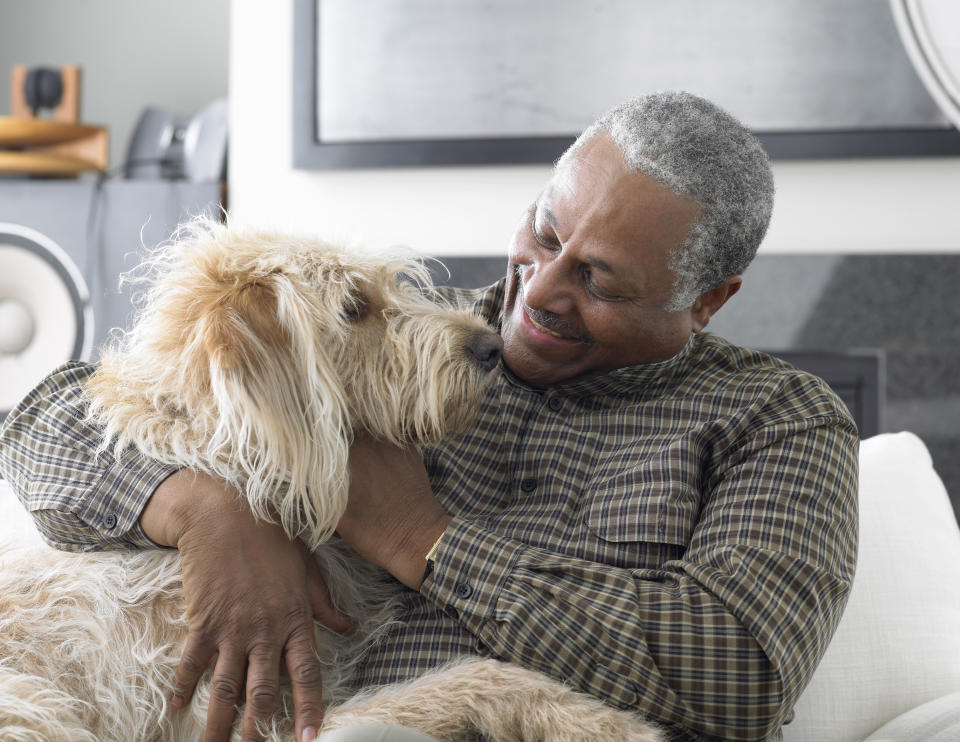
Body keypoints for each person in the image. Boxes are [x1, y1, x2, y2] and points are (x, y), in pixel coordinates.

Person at [0, 91, 858, 742]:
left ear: (706, 301)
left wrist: (425, 541)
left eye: (598, 280)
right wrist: (206, 511)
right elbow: (50, 420)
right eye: (544, 233)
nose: (538, 294)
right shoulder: (408, 342)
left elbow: (742, 670)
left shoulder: (776, 421)